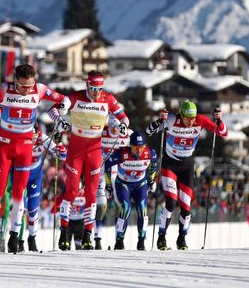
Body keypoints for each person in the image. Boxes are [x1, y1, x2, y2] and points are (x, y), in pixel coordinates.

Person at [0, 63, 67, 254]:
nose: (26, 90)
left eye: (29, 85)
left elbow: (64, 99)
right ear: (15, 81)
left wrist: (63, 107)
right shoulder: (4, 89)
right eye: (22, 86)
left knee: (18, 196)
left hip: (25, 147)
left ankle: (14, 237)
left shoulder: (39, 89)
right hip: (5, 146)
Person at [48, 71, 129, 251]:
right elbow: (52, 110)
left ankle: (87, 235)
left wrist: (123, 126)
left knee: (92, 194)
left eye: (99, 89)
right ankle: (64, 232)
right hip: (76, 150)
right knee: (72, 190)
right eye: (93, 88)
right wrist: (59, 120)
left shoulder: (107, 99)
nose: (96, 92)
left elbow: (124, 117)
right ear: (87, 86)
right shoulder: (75, 97)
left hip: (94, 150)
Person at [145, 100, 227, 250]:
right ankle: (161, 237)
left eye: (193, 118)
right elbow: (148, 131)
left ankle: (181, 238)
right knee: (171, 201)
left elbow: (223, 133)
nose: (191, 121)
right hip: (170, 165)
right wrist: (159, 120)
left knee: (186, 207)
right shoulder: (172, 119)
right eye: (188, 118)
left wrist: (219, 120)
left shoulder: (200, 120)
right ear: (181, 115)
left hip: (186, 168)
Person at [105, 131, 157, 250]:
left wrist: (151, 180)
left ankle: (142, 241)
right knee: (125, 208)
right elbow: (107, 165)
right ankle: (119, 240)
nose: (139, 150)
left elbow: (154, 164)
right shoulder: (121, 154)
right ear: (130, 146)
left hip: (140, 184)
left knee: (142, 210)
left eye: (141, 147)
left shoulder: (149, 153)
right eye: (135, 147)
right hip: (123, 184)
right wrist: (108, 186)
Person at [20, 125, 67, 252]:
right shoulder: (20, 136)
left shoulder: (43, 138)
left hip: (35, 176)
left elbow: (62, 155)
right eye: (31, 137)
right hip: (20, 174)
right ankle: (18, 239)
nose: (33, 139)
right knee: (20, 208)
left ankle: (32, 238)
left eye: (34, 136)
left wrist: (60, 142)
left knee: (32, 209)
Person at [94, 114, 130, 250]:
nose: (115, 129)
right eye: (112, 126)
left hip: (117, 175)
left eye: (117, 126)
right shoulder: (101, 132)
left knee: (119, 207)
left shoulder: (126, 133)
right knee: (101, 206)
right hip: (102, 173)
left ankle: (119, 240)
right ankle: (97, 240)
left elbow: (139, 140)